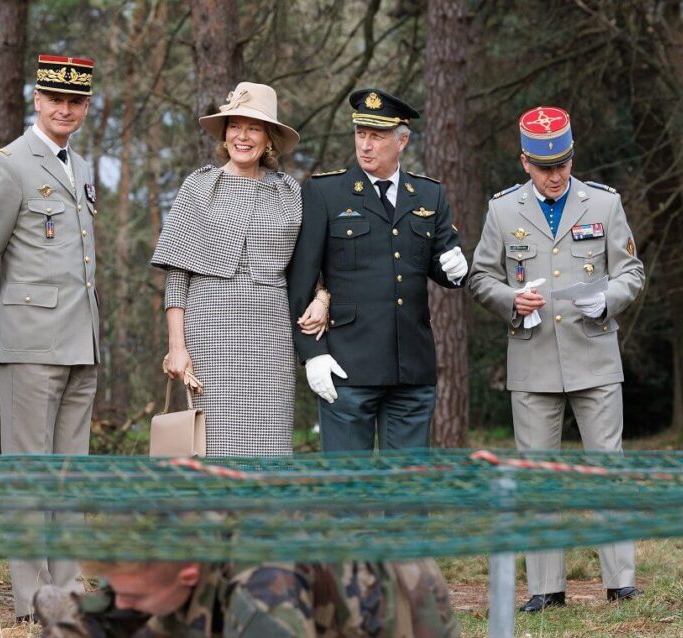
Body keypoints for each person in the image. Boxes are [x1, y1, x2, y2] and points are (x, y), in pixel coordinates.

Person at [467, 106, 645, 612]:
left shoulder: (604, 204)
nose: (555, 175)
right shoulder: (502, 211)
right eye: (545, 167)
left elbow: (632, 271)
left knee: (606, 469)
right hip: (534, 358)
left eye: (563, 164)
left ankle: (620, 581)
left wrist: (608, 297)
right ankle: (546, 588)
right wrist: (510, 301)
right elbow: (481, 278)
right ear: (525, 162)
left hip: (594, 352)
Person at [0, 54, 99, 623]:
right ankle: (30, 600)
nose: (64, 109)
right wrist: (1, 328)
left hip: (80, 341)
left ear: (86, 106)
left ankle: (66, 592)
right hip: (29, 340)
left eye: (75, 101)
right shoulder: (10, 165)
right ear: (37, 100)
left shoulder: (81, 165)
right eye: (55, 99)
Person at [286, 89, 468, 452]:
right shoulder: (327, 193)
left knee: (407, 490)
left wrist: (459, 268)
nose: (366, 145)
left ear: (402, 141)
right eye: (361, 134)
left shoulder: (428, 195)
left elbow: (441, 268)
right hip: (347, 366)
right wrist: (312, 353)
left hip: (411, 369)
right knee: (348, 491)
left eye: (378, 136)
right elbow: (300, 281)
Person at [152, 82, 325, 457]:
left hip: (271, 335)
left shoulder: (290, 192)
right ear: (225, 133)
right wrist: (176, 348)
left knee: (269, 445)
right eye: (235, 126)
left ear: (269, 139)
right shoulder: (199, 186)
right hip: (209, 333)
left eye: (254, 128)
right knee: (209, 443)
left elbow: (316, 263)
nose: (242, 136)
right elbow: (177, 275)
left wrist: (323, 298)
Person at [32, 559, 460, 637]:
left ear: (189, 574)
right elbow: (116, 605)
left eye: (130, 595)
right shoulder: (159, 561)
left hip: (406, 609)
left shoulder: (264, 601)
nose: (119, 602)